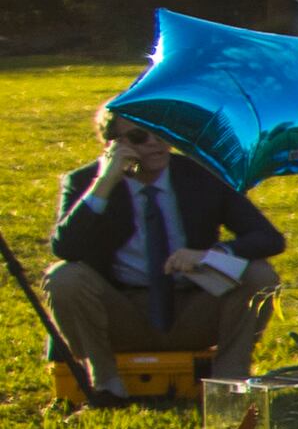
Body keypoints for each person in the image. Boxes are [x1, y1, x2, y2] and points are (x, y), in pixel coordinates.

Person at [45, 104, 282, 399]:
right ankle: (106, 383)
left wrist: (210, 254)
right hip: (120, 313)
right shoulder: (83, 182)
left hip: (192, 307)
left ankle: (229, 385)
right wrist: (105, 183)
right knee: (64, 278)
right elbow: (65, 248)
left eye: (161, 133)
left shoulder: (201, 174)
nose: (154, 143)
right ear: (113, 145)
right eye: (139, 136)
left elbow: (269, 238)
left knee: (259, 275)